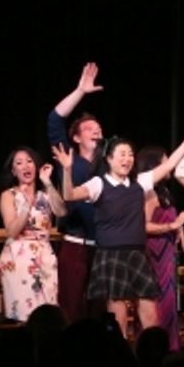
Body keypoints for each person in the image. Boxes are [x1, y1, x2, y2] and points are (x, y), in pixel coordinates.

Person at [54, 113, 184, 336]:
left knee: (149, 306)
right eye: (121, 154)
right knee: (117, 311)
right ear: (108, 159)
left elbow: (170, 163)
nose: (127, 159)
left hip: (137, 253)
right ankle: (121, 354)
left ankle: (153, 352)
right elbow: (69, 195)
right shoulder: (99, 183)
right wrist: (67, 170)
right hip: (111, 254)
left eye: (130, 155)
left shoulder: (140, 182)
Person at [47, 62, 105, 322]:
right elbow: (55, 118)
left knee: (99, 310)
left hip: (103, 246)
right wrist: (81, 90)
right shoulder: (67, 156)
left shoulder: (109, 163)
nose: (96, 130)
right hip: (76, 245)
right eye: (89, 128)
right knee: (71, 309)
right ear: (76, 138)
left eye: (98, 128)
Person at [0, 148, 67, 322]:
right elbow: (12, 230)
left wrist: (47, 182)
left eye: (29, 161)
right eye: (19, 163)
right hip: (18, 257)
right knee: (22, 313)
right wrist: (26, 207)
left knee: (48, 310)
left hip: (44, 254)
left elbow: (61, 211)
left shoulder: (44, 194)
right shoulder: (9, 195)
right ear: (13, 171)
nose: (25, 166)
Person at [138, 147, 184, 350]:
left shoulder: (164, 191)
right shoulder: (149, 192)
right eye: (165, 160)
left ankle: (171, 347)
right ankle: (159, 348)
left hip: (168, 253)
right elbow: (142, 225)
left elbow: (171, 217)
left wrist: (180, 230)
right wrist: (171, 227)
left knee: (170, 303)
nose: (169, 163)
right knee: (161, 303)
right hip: (154, 254)